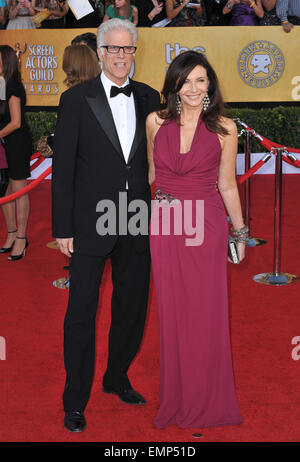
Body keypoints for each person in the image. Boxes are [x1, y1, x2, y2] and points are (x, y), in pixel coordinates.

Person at [52, 18, 160, 433]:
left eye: (128, 49)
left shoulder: (149, 97)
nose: (121, 56)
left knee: (131, 307)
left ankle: (116, 376)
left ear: (135, 52)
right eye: (114, 49)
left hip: (135, 220)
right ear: (99, 53)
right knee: (81, 311)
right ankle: (75, 399)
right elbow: (62, 171)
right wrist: (63, 227)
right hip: (88, 222)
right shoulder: (76, 100)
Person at [146, 50, 246, 429]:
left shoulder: (225, 128)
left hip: (205, 226)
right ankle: (177, 398)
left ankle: (207, 401)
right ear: (174, 83)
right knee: (172, 314)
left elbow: (226, 184)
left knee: (206, 314)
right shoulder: (155, 121)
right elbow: (151, 175)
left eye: (200, 80)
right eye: (185, 80)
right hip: (166, 226)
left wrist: (240, 234)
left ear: (210, 85)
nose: (192, 87)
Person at [0, 45, 32, 261]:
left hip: (16, 143)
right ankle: (11, 233)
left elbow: (16, 122)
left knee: (18, 190)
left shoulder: (13, 86)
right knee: (6, 192)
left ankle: (21, 237)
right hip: (4, 143)